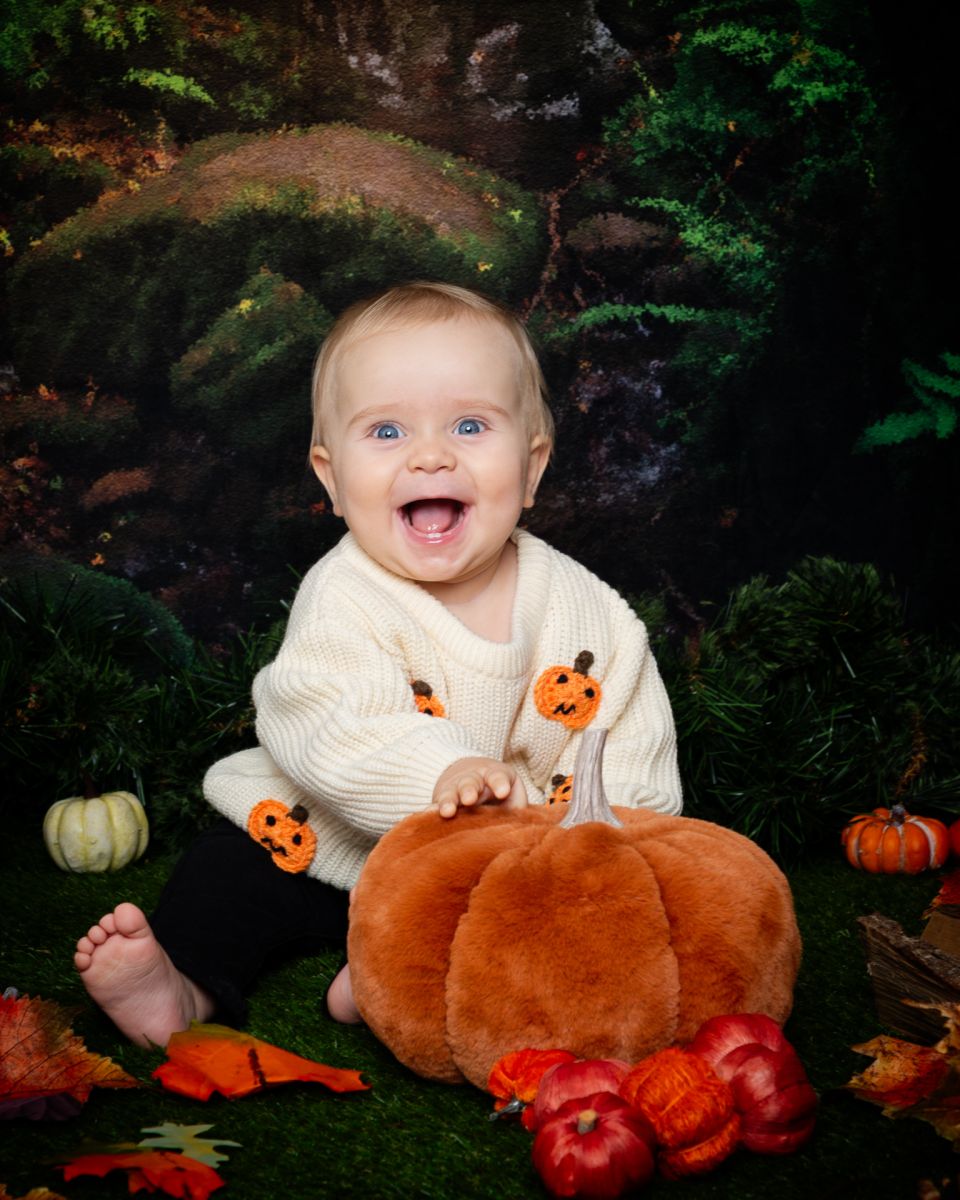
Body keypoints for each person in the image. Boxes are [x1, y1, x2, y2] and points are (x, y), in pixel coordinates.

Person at [74, 281, 682, 1047]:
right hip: (322, 841)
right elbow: (328, 720)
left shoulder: (590, 616)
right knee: (227, 873)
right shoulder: (346, 594)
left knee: (534, 925)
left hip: (498, 868)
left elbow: (631, 744)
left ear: (531, 469)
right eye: (387, 432)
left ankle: (392, 972)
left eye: (469, 424)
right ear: (331, 478)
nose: (431, 455)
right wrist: (442, 771)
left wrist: (604, 851)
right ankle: (182, 983)